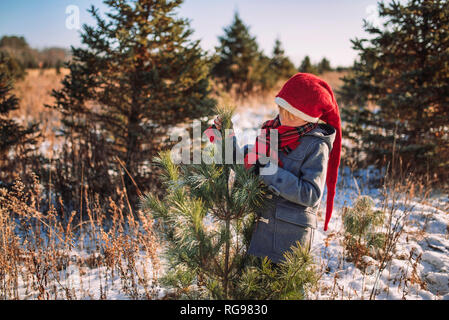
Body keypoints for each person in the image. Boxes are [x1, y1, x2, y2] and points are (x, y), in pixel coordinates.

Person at [211, 73, 342, 263]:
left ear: (310, 117)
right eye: (283, 111)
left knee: (285, 292)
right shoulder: (273, 132)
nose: (285, 119)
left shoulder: (316, 145)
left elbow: (311, 194)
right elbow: (246, 165)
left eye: (294, 116)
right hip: (260, 233)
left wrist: (266, 170)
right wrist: (226, 137)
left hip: (288, 241)